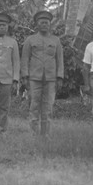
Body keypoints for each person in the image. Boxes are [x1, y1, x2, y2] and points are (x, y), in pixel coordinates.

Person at [21, 10, 64, 138]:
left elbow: (60, 60)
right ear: (37, 24)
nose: (44, 24)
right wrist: (25, 76)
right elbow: (25, 59)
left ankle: (45, 135)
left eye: (46, 22)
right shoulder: (30, 40)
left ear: (50, 24)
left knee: (48, 107)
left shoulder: (56, 41)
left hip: (51, 79)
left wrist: (60, 77)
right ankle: (34, 134)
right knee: (34, 106)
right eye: (41, 22)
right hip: (34, 78)